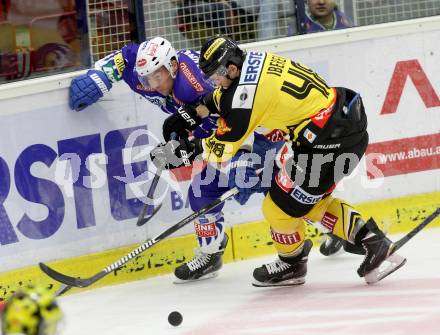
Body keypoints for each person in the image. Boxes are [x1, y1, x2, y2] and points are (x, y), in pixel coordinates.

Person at [154, 36, 407, 286]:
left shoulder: (244, 98)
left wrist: (177, 154)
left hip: (326, 142)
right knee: (306, 202)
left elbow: (220, 149)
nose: (214, 83)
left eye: (215, 77)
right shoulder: (252, 60)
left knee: (277, 207)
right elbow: (222, 98)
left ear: (231, 68)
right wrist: (190, 113)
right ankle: (372, 242)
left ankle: (292, 264)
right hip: (338, 124)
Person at [68, 36, 283, 283]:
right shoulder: (149, 71)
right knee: (202, 193)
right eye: (147, 78)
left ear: (172, 66)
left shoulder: (195, 85)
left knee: (279, 189)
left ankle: (322, 227)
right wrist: (100, 76)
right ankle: (211, 254)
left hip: (255, 134)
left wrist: (188, 147)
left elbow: (231, 122)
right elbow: (126, 56)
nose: (152, 84)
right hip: (226, 137)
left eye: (157, 76)